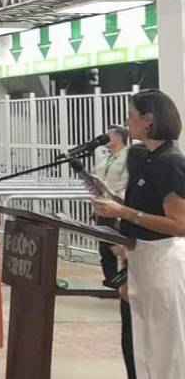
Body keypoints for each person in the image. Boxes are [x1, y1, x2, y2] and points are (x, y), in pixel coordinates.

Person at [94, 89, 185, 379]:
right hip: (140, 261)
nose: (126, 122)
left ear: (149, 120)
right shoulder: (144, 158)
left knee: (164, 352)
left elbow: (179, 224)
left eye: (131, 116)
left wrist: (125, 214)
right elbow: (142, 209)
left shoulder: (170, 162)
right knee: (142, 348)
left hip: (162, 264)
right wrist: (111, 201)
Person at [93, 125, 133, 281]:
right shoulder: (105, 157)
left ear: (118, 138)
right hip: (103, 207)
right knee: (105, 246)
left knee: (120, 246)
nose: (105, 138)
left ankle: (124, 280)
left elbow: (127, 182)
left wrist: (116, 198)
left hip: (119, 207)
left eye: (108, 135)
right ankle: (110, 280)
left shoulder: (129, 157)